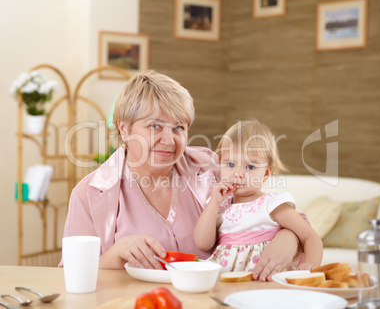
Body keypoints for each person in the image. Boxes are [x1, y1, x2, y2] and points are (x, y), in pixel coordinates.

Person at [60, 70, 302, 281]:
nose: (169, 140)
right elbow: (68, 275)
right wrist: (116, 254)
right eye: (154, 126)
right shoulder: (90, 194)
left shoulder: (211, 167)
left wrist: (288, 238)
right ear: (124, 128)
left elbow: (276, 210)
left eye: (179, 127)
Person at [193, 120, 323, 272]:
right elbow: (202, 243)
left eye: (250, 167)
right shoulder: (219, 204)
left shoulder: (272, 203)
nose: (238, 174)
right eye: (230, 164)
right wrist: (213, 204)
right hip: (225, 280)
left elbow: (310, 237)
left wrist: (310, 266)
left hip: (265, 280)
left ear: (266, 173)